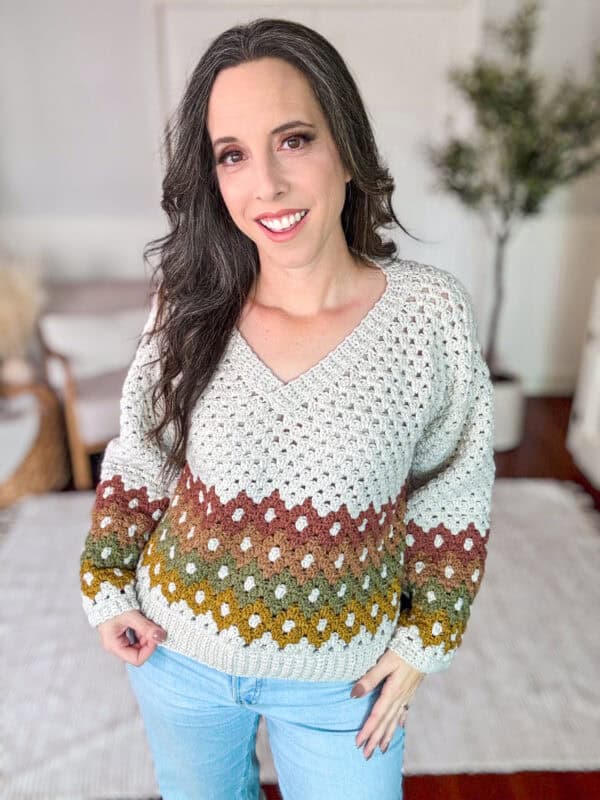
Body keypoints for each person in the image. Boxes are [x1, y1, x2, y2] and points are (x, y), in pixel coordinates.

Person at [78, 17, 496, 800]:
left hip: (343, 685)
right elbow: (141, 449)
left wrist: (421, 644)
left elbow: (456, 486)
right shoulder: (190, 303)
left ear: (345, 148)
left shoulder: (427, 316)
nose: (264, 183)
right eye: (232, 154)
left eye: (294, 139)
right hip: (180, 656)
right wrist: (107, 585)